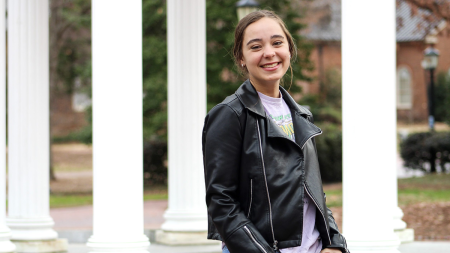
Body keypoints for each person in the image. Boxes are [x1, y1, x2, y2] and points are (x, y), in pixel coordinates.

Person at [202, 10, 349, 253]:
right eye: (256, 46)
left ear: (289, 49)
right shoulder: (229, 115)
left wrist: (334, 242)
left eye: (277, 42)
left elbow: (312, 190)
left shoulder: (301, 114)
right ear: (241, 57)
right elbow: (221, 202)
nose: (269, 53)